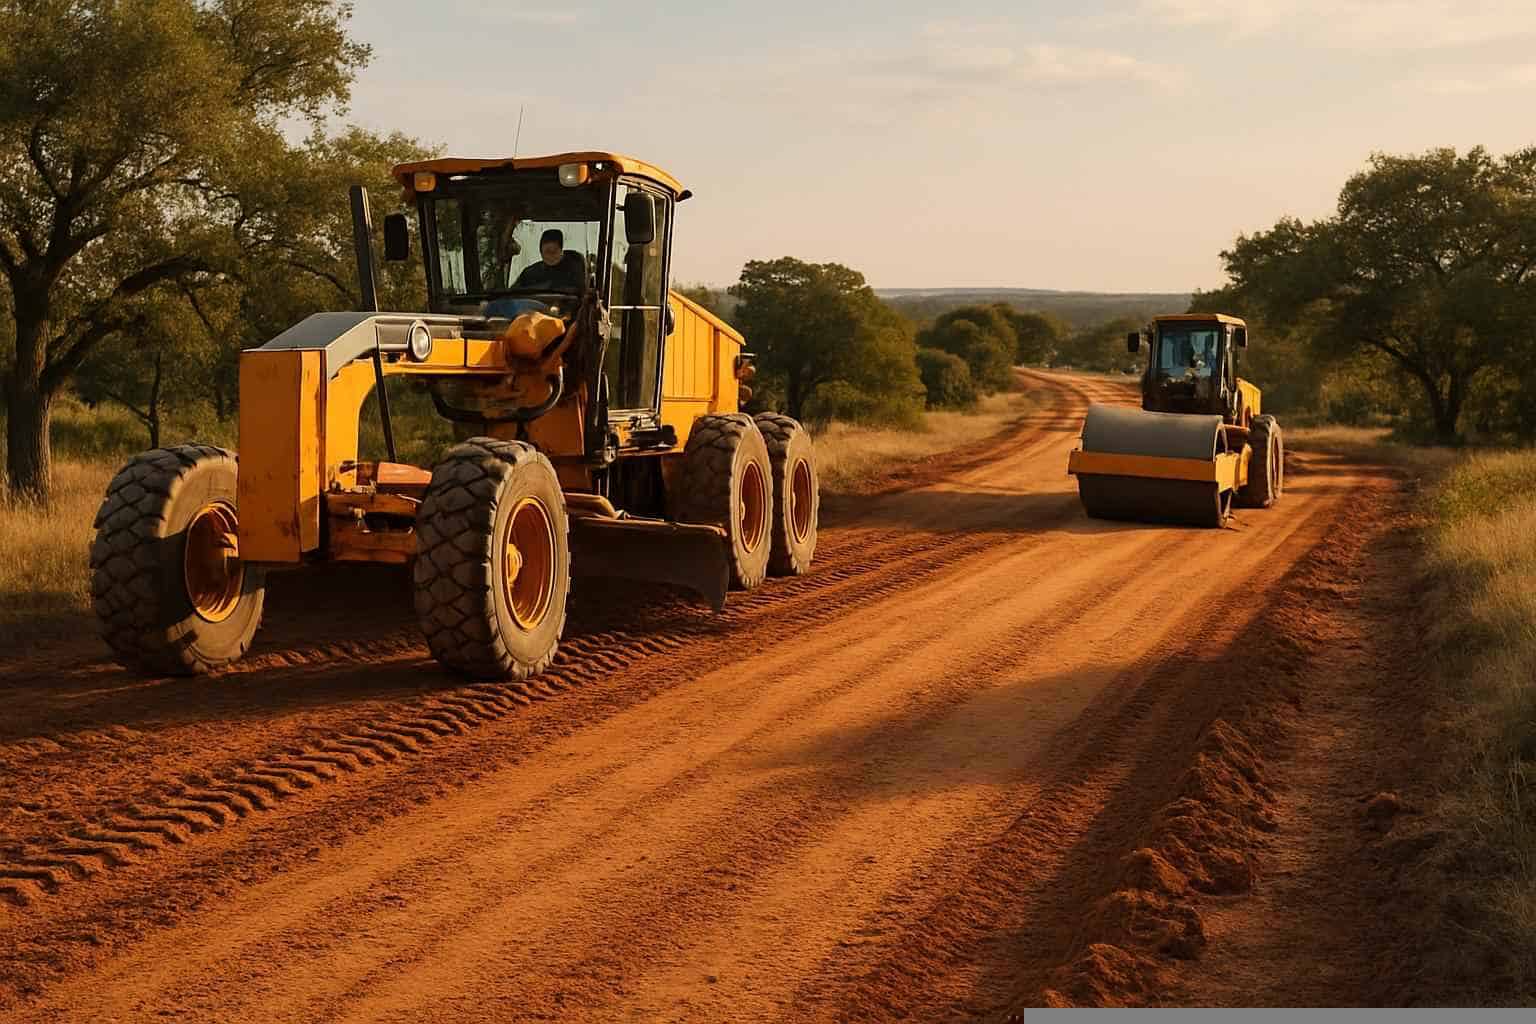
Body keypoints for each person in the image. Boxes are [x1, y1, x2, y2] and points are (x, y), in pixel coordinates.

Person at [513, 228, 585, 292]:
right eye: (547, 251)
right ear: (541, 252)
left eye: (554, 251)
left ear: (561, 251)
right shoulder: (529, 273)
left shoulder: (574, 269)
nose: (551, 255)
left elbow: (578, 291)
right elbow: (513, 293)